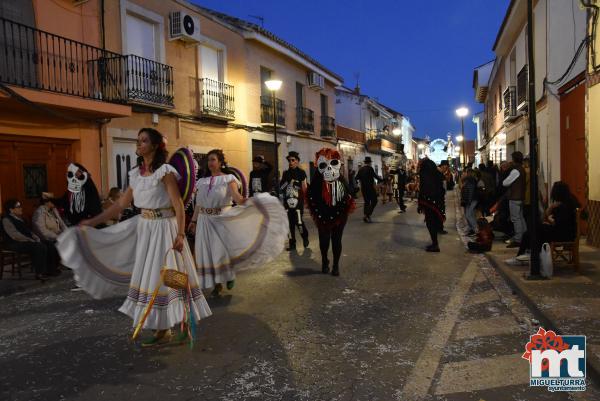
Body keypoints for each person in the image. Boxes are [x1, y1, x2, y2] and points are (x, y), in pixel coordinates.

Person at [57, 128, 212, 347]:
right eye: (138, 141)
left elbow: (177, 205)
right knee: (151, 277)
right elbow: (120, 205)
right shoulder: (135, 174)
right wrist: (92, 222)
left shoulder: (165, 171)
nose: (138, 144)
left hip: (164, 229)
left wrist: (179, 233)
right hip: (146, 229)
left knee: (171, 276)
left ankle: (185, 322)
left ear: (155, 146)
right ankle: (162, 328)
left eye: (144, 141)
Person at [188, 149, 287, 297]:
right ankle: (217, 284)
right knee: (208, 253)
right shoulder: (202, 182)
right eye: (208, 160)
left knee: (220, 253)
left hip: (222, 219)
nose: (210, 163)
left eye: (213, 159)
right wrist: (193, 221)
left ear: (221, 162)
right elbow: (199, 204)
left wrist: (252, 202)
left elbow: (237, 198)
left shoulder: (228, 179)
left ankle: (228, 276)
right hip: (204, 221)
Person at [506, 181, 580, 265]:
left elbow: (556, 222)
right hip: (569, 233)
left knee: (533, 231)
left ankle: (524, 256)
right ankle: (529, 255)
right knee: (535, 230)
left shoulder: (562, 205)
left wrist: (550, 214)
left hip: (563, 234)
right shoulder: (571, 200)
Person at [307, 148, 354, 276]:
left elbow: (349, 194)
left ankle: (335, 266)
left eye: (332, 163)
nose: (329, 169)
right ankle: (324, 261)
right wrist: (318, 212)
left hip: (339, 214)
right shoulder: (316, 182)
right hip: (322, 214)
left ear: (337, 164)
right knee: (324, 239)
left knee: (336, 239)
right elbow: (311, 196)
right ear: (319, 166)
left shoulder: (342, 181)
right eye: (323, 165)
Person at [1, 199, 49, 281]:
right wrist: (29, 239)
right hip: (13, 243)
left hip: (25, 241)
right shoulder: (6, 220)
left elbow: (28, 231)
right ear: (11, 209)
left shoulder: (20, 218)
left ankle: (50, 269)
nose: (21, 208)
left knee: (47, 243)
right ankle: (39, 273)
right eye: (18, 207)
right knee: (38, 247)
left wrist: (34, 237)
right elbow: (14, 235)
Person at [280, 151, 310, 251]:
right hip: (287, 202)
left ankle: (305, 237)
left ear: (297, 161)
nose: (291, 162)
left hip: (298, 202)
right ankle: (292, 243)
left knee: (299, 222)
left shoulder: (301, 173)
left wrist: (295, 184)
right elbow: (282, 187)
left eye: (293, 160)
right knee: (289, 224)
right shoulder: (286, 173)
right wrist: (288, 182)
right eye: (289, 160)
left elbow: (304, 188)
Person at [32, 192, 66, 275]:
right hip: (44, 238)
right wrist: (57, 237)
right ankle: (51, 268)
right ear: (47, 202)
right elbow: (42, 230)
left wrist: (67, 233)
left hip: (55, 235)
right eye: (52, 201)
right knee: (53, 245)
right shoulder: (39, 212)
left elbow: (61, 223)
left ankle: (64, 263)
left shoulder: (54, 210)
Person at [417, 158, 446, 252]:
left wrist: (420, 203)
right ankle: (435, 243)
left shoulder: (424, 174)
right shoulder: (437, 174)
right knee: (433, 222)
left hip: (428, 202)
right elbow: (442, 189)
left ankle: (435, 244)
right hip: (437, 202)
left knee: (430, 223)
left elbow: (423, 189)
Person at [503, 152, 527, 247]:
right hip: (521, 197)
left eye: (512, 159)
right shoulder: (522, 169)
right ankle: (524, 235)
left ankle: (518, 239)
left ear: (514, 160)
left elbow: (505, 183)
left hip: (514, 197)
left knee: (515, 219)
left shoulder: (515, 171)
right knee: (520, 217)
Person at [356, 157, 381, 222]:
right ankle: (367, 215)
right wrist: (383, 180)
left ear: (365, 162)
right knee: (374, 201)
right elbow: (375, 176)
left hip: (363, 188)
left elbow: (356, 178)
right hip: (370, 188)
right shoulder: (370, 168)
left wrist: (361, 182)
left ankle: (366, 215)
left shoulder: (361, 169)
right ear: (369, 163)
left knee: (366, 202)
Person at [461, 168, 478, 236]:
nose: (463, 174)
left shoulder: (470, 180)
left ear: (468, 173)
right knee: (470, 214)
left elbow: (470, 191)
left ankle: (475, 229)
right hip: (469, 200)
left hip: (471, 200)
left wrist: (469, 201)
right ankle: (472, 229)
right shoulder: (468, 180)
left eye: (464, 172)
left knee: (469, 215)